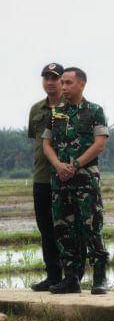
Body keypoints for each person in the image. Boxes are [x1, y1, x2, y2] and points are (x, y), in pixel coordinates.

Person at [42, 67, 111, 295]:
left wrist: (76, 165)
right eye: (62, 83)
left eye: (68, 83)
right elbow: (46, 145)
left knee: (91, 227)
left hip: (85, 181)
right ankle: (71, 278)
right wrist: (59, 166)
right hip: (60, 181)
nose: (63, 87)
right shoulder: (55, 113)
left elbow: (99, 143)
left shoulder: (94, 111)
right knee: (64, 229)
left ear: (81, 84)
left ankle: (99, 278)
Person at [26, 62, 64, 292]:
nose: (50, 82)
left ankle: (71, 276)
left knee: (67, 229)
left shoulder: (70, 107)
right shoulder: (36, 109)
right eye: (46, 78)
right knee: (46, 229)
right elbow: (36, 138)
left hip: (65, 177)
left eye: (54, 78)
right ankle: (52, 276)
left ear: (62, 81)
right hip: (41, 177)